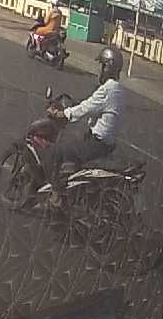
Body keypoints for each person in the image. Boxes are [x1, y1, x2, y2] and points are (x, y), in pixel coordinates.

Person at [43, 47, 125, 207]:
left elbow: (86, 108)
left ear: (107, 67)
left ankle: (56, 196)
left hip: (96, 144)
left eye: (102, 66)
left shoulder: (108, 90)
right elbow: (93, 105)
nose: (100, 70)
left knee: (54, 151)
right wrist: (76, 106)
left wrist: (62, 114)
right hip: (107, 144)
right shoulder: (119, 90)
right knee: (73, 147)